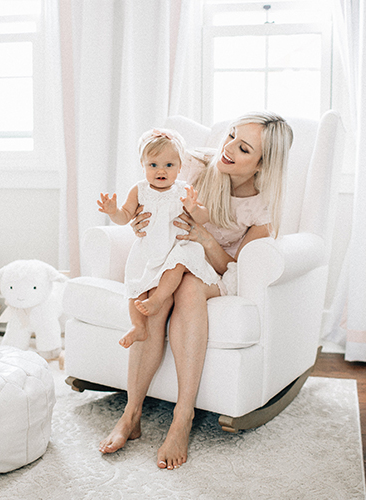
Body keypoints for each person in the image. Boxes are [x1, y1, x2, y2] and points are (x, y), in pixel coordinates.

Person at [98, 111, 293, 470]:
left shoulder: (260, 209)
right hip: (171, 258)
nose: (229, 147)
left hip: (213, 272)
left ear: (262, 165)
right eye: (232, 135)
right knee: (152, 304)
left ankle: (182, 417)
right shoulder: (197, 169)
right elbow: (156, 156)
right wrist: (141, 223)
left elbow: (234, 270)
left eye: (244, 147)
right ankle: (132, 414)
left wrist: (204, 238)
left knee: (187, 287)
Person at [98, 128, 219, 349]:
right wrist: (113, 211)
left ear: (179, 167)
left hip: (177, 245)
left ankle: (158, 298)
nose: (160, 170)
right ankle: (138, 325)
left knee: (178, 263)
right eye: (153, 165)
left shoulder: (184, 190)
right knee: (136, 284)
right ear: (143, 166)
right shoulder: (139, 190)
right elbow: (125, 216)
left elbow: (204, 217)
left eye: (168, 165)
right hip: (149, 248)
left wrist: (194, 207)